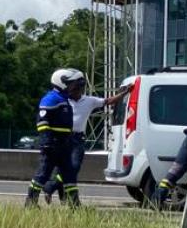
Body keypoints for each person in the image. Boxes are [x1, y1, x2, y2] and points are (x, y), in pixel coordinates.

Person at [43, 73, 132, 203]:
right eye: (72, 89)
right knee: (61, 168)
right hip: (63, 137)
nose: (74, 92)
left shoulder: (89, 101)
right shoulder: (64, 100)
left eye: (76, 89)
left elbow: (108, 101)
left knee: (74, 166)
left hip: (77, 139)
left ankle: (51, 187)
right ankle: (66, 198)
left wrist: (124, 94)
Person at [25, 69, 79, 208]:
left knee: (69, 175)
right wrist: (46, 141)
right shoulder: (51, 98)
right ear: (61, 83)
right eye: (70, 83)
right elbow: (42, 121)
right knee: (43, 174)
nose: (73, 86)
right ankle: (30, 202)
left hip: (65, 145)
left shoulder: (64, 99)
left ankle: (75, 205)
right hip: (52, 144)